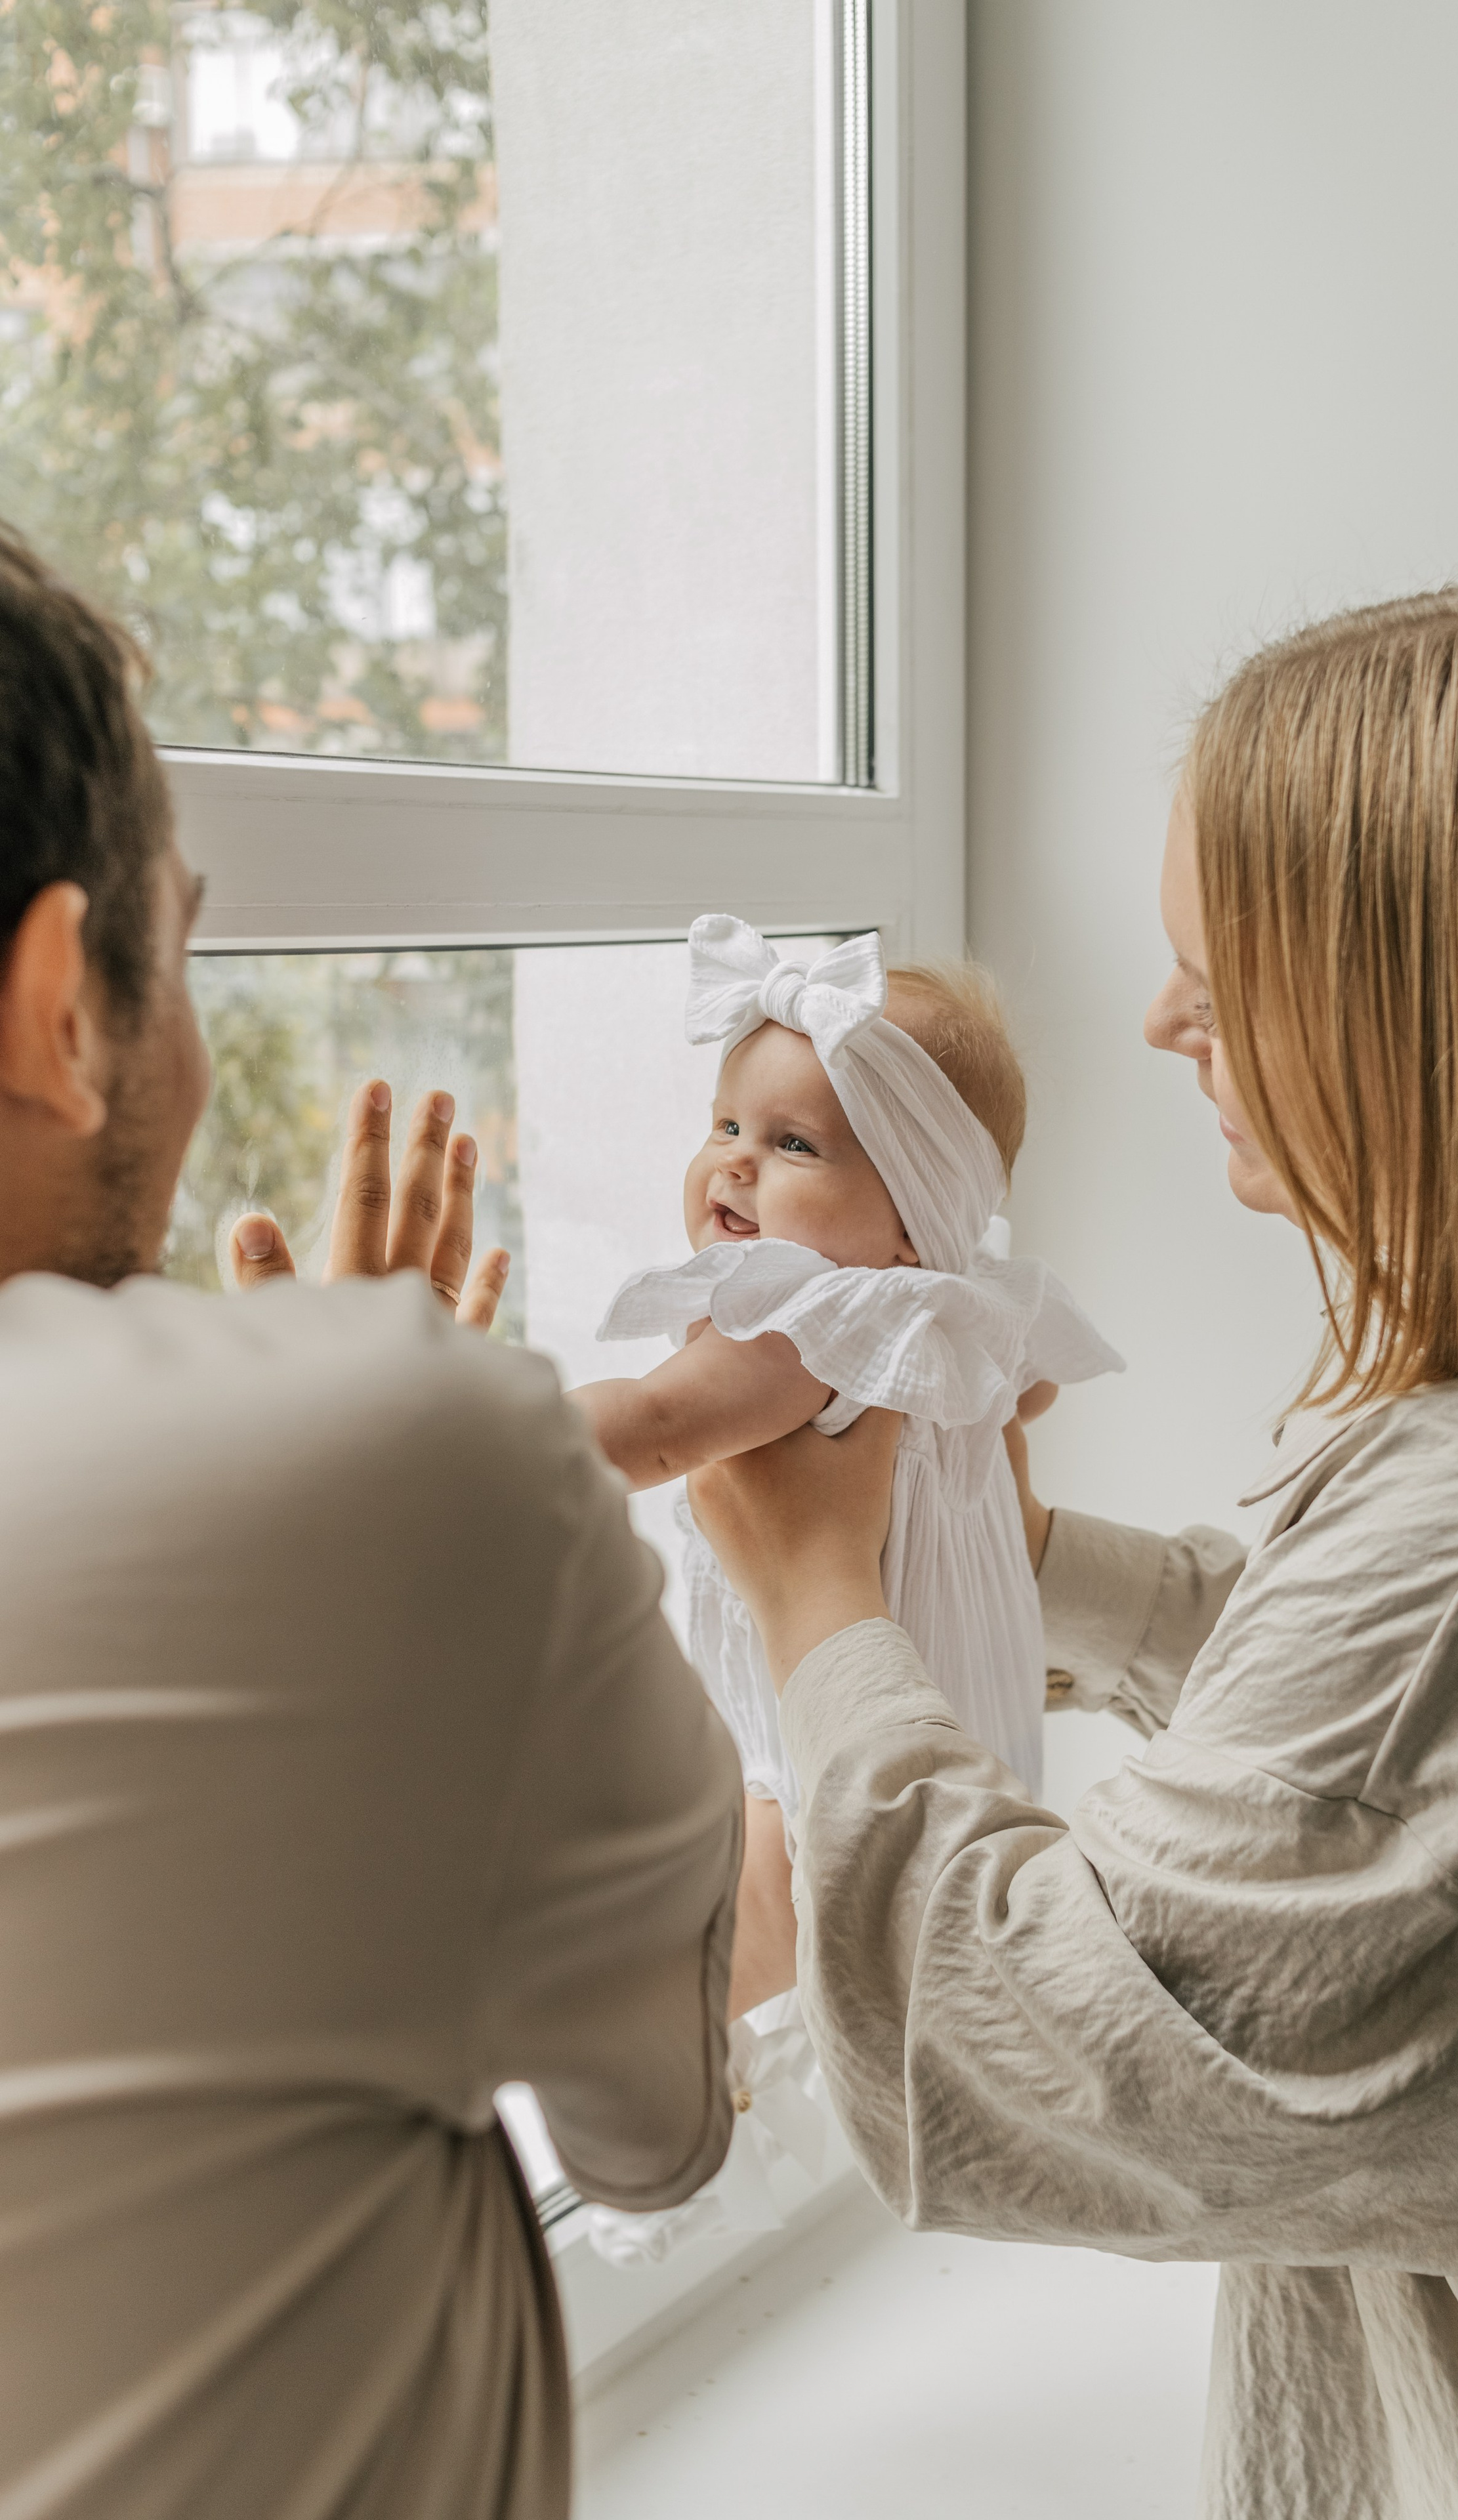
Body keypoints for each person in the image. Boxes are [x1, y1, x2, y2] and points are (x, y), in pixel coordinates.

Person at [688, 578, 1458, 2520]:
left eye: (1226, 976)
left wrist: (813, 1592)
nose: (1160, 1022)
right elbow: (1393, 1772)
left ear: (1441, 1009)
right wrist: (1018, 1556)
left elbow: (1036, 2043)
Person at [0, 528, 743, 2519]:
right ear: (58, 1003)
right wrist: (335, 1450)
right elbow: (655, 2135)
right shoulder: (415, 1447)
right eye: (188, 944)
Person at [568, 916, 1117, 2258]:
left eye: (793, 1145)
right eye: (724, 1126)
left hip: (820, 1737)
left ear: (913, 1203)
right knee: (776, 1935)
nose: (733, 1166)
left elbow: (643, 1430)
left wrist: (450, 1435)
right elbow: (1023, 1390)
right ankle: (685, 2089)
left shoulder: (808, 1326)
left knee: (733, 1938)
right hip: (948, 1723)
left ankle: (650, 2089)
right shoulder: (956, 1309)